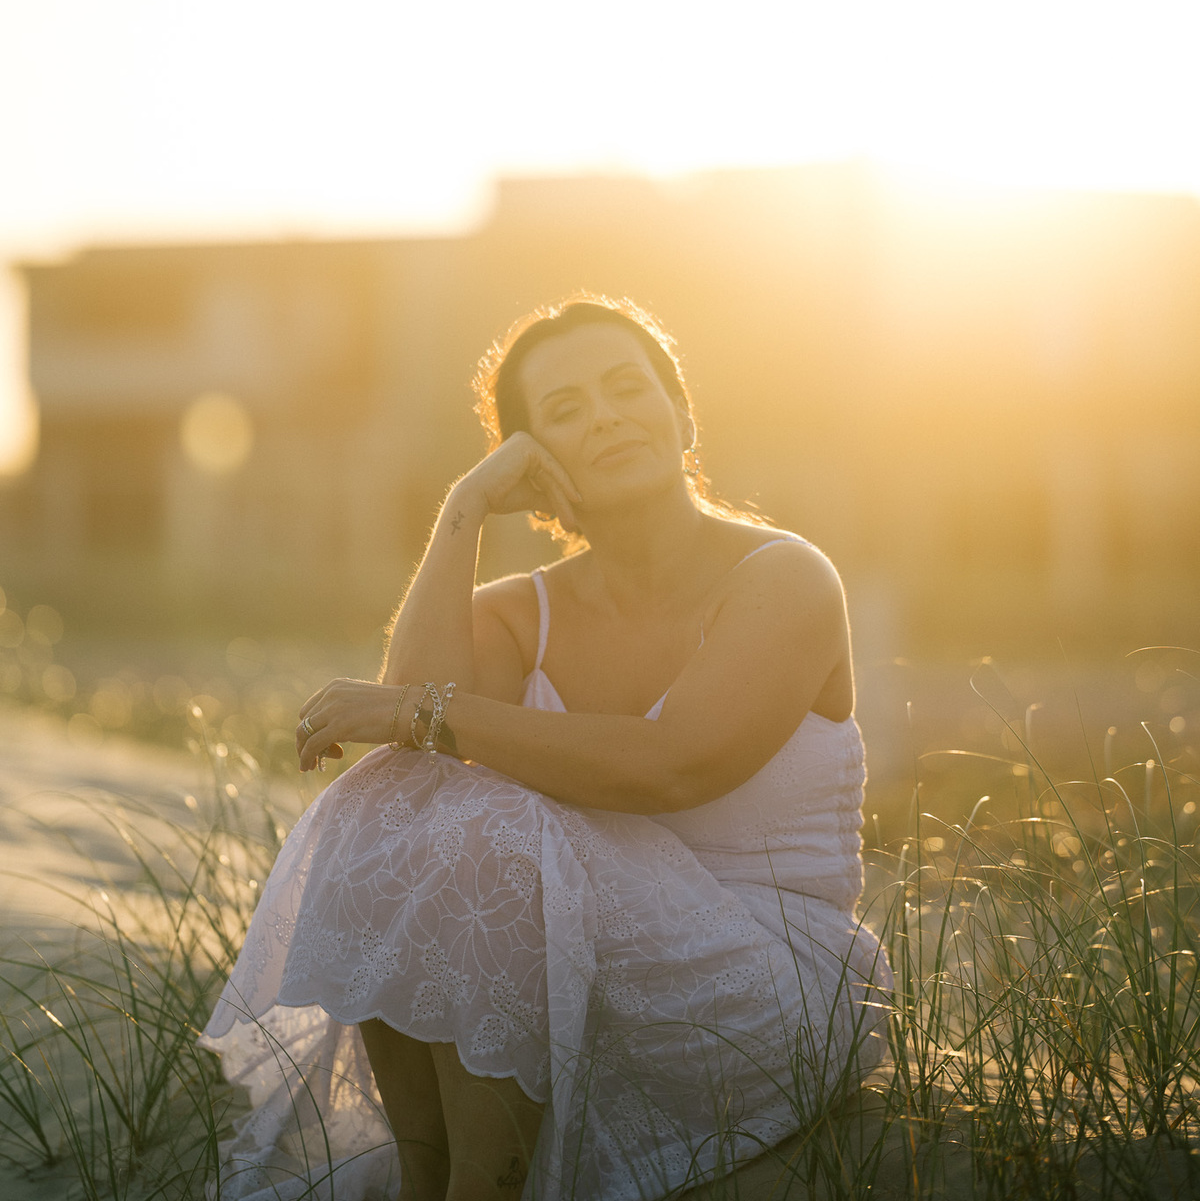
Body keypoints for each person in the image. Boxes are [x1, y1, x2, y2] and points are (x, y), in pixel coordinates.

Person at [201, 295, 891, 1201]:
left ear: (681, 416)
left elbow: (670, 765)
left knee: (492, 824)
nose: (604, 415)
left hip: (765, 986)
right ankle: (431, 1177)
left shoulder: (786, 576)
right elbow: (410, 757)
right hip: (583, 968)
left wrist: (423, 711)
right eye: (564, 410)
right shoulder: (524, 610)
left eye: (626, 388)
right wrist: (465, 508)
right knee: (386, 801)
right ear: (533, 464)